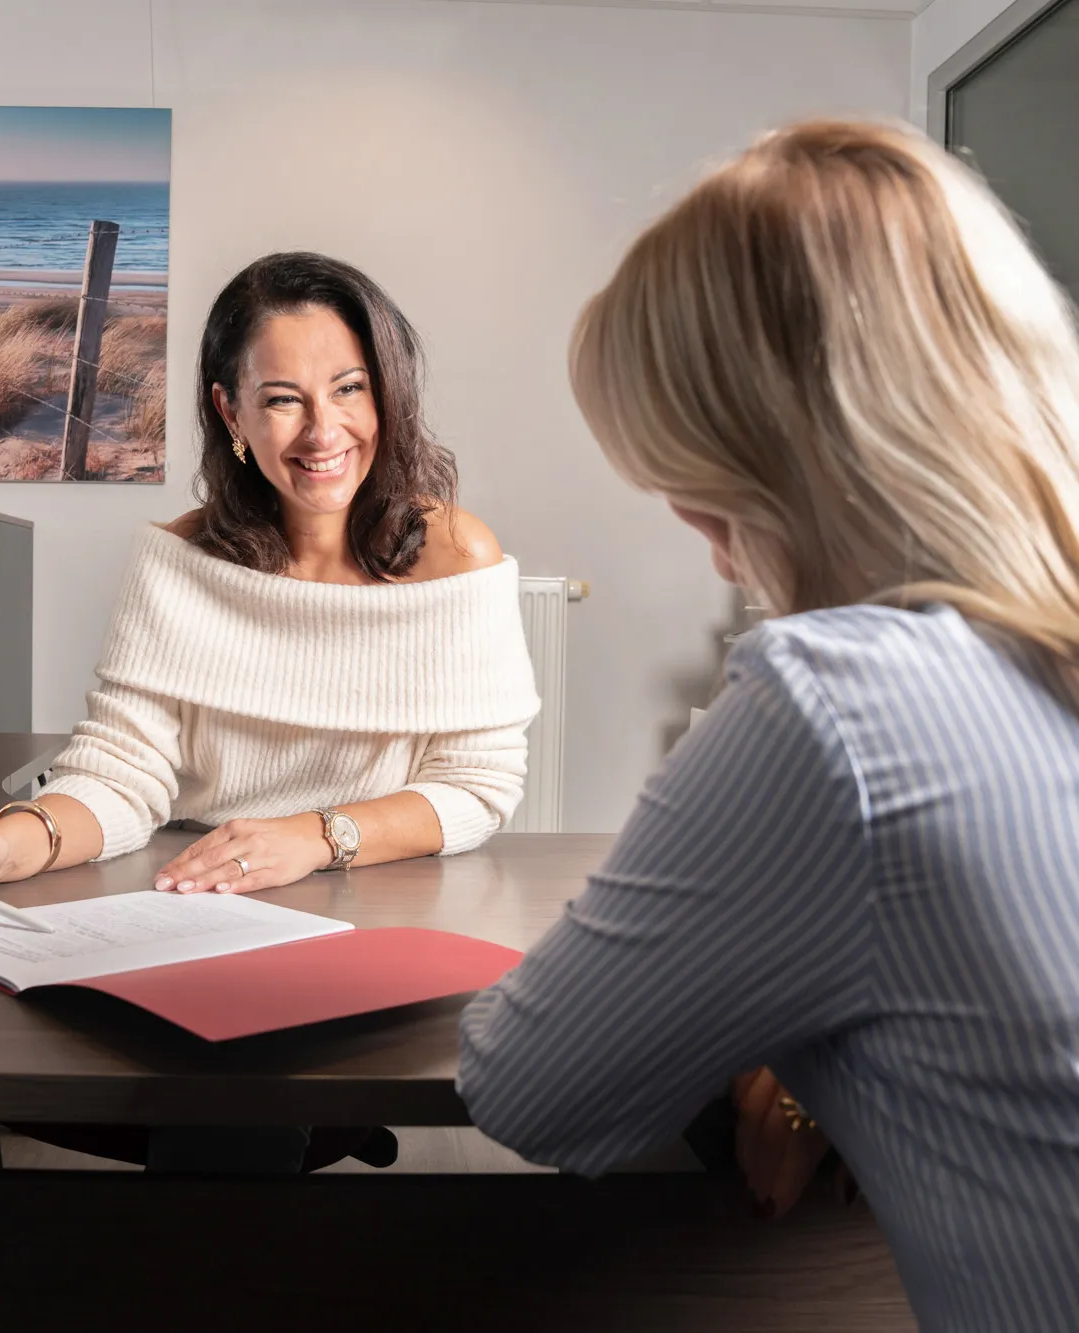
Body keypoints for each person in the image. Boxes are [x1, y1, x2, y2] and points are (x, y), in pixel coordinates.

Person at [458, 120, 1079, 1332]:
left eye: (691, 482)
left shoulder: (840, 702)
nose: (704, 539)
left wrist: (781, 1033)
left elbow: (530, 1087)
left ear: (784, 457)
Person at [0, 251, 540, 1174]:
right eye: (281, 399)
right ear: (229, 412)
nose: (323, 430)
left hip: (369, 930)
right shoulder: (175, 561)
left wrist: (310, 836)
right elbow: (119, 774)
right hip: (192, 915)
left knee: (232, 1117)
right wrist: (4, 843)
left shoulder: (457, 554)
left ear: (388, 394)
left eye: (348, 388)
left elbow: (478, 787)